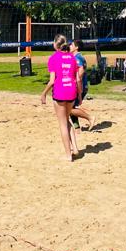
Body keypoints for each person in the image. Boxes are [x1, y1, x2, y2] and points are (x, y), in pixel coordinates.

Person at [40, 34, 80, 162]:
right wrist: (79, 94)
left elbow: (52, 81)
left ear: (55, 45)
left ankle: (68, 155)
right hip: (72, 91)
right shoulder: (73, 58)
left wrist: (43, 93)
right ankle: (75, 147)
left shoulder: (53, 58)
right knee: (67, 119)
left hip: (60, 92)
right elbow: (78, 79)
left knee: (62, 124)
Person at [69, 39, 93, 130]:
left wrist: (78, 90)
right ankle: (77, 127)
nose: (69, 46)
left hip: (80, 87)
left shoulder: (78, 58)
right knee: (70, 107)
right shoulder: (75, 57)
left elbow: (80, 73)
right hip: (78, 86)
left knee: (68, 108)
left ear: (76, 47)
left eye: (71, 45)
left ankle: (90, 118)